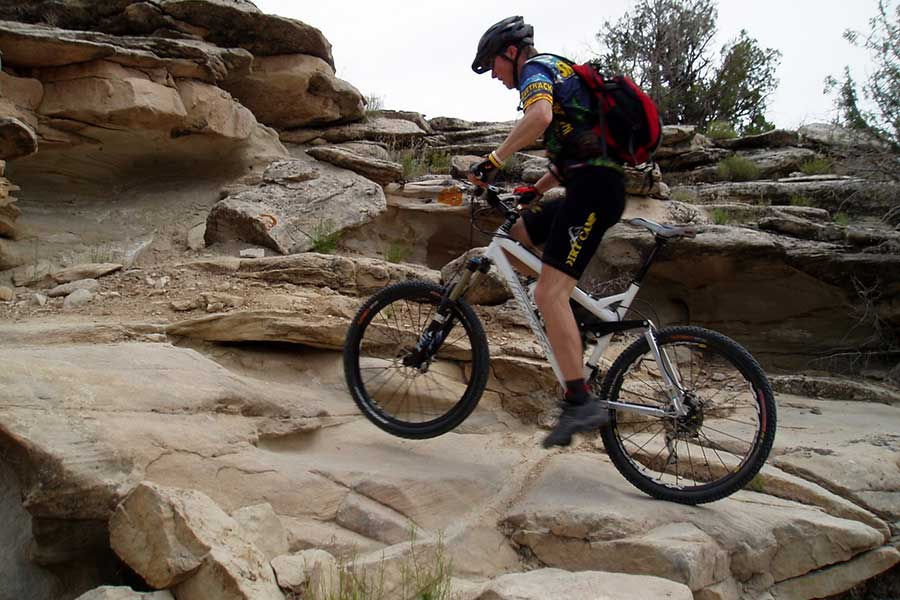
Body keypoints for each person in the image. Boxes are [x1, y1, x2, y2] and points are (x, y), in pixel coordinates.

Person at [468, 16, 627, 448]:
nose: (496, 76)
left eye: (494, 65)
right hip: (588, 185)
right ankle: (575, 321)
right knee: (521, 228)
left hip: (594, 192)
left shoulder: (536, 73)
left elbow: (538, 117)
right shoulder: (561, 71)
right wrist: (533, 190)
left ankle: (580, 401)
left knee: (547, 294)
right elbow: (574, 150)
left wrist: (494, 160)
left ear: (512, 53)